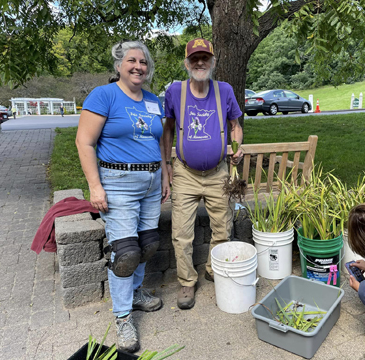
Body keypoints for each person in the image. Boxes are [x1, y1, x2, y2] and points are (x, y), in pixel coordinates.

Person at [76, 40, 170, 353]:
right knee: (125, 253)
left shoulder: (154, 101)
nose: (138, 66)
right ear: (119, 65)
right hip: (117, 182)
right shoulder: (104, 95)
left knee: (147, 245)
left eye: (143, 62)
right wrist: (95, 185)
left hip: (151, 182)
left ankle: (136, 293)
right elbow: (84, 141)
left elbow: (159, 144)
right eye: (131, 60)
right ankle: (122, 317)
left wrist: (165, 176)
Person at [162, 38, 243, 310]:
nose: (200, 63)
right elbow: (168, 129)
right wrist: (167, 164)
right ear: (187, 63)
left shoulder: (224, 90)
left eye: (204, 58)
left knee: (223, 227)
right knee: (181, 232)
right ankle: (186, 281)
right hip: (185, 173)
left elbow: (235, 125)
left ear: (212, 62)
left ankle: (213, 267)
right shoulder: (175, 91)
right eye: (194, 58)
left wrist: (237, 146)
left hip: (219, 172)